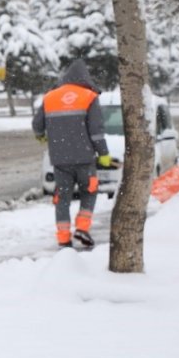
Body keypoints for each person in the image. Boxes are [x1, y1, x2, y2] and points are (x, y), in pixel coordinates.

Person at [32, 59, 112, 248]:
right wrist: (103, 153)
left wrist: (41, 136)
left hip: (60, 160)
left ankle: (63, 238)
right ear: (85, 78)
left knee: (63, 199)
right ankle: (82, 229)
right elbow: (96, 131)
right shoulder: (89, 96)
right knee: (89, 192)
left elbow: (37, 125)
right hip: (85, 158)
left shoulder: (50, 97)